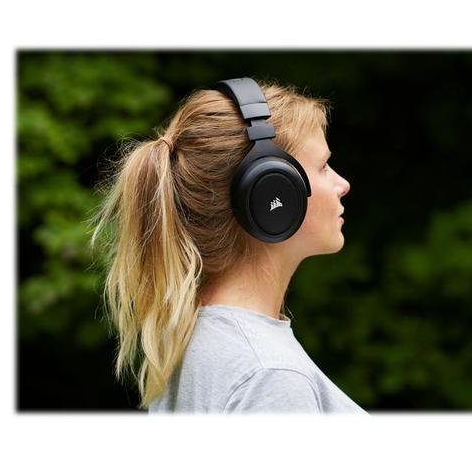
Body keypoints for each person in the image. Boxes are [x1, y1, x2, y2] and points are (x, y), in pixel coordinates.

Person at [90, 77, 367, 414]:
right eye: (323, 167)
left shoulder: (195, 341)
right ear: (272, 192)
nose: (343, 184)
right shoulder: (269, 376)